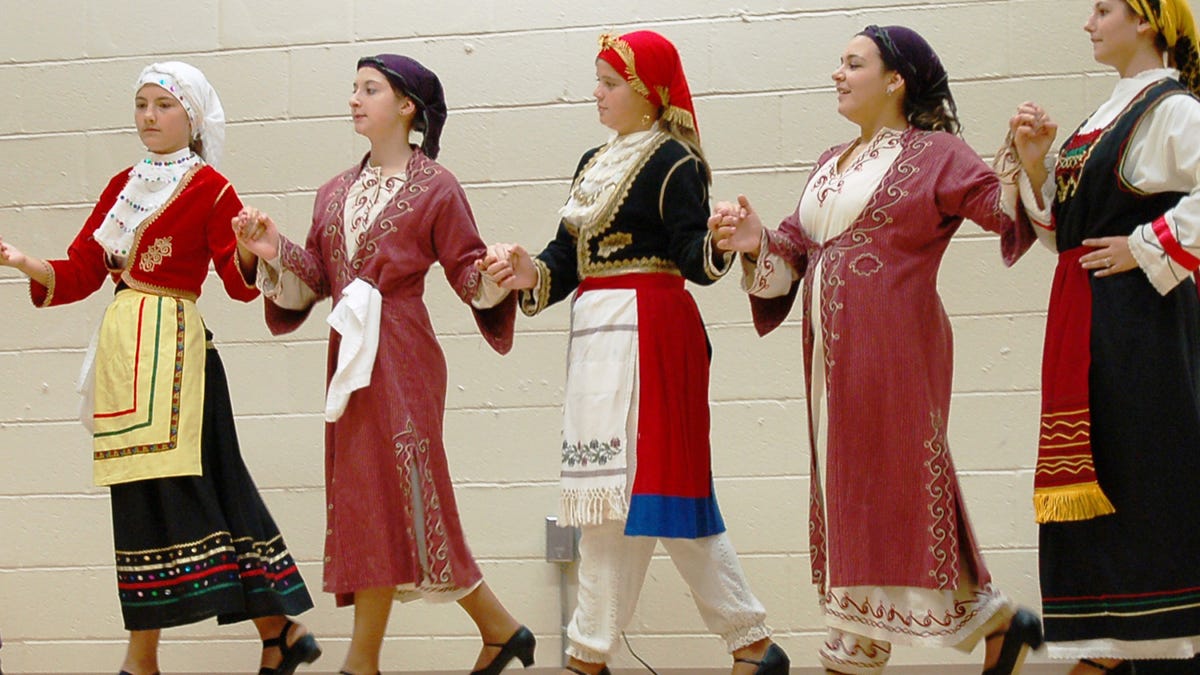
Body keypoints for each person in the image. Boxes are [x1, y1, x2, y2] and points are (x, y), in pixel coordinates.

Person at [708, 25, 1044, 675]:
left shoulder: (935, 152)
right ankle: (995, 620)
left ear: (896, 80)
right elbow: (790, 254)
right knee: (860, 493)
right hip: (830, 364)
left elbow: (1001, 210)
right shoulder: (829, 162)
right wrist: (753, 241)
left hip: (895, 348)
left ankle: (876, 648)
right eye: (839, 63)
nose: (838, 73)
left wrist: (1029, 165)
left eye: (853, 63)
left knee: (891, 486)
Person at [477, 30, 788, 675]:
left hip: (652, 334)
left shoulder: (676, 162)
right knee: (616, 500)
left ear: (648, 94)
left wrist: (724, 240)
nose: (596, 93)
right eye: (598, 80)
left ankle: (593, 657)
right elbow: (565, 260)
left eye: (610, 83)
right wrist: (523, 272)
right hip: (597, 337)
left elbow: (692, 260)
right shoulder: (594, 162)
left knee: (646, 492)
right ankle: (746, 645)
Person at [0, 62, 320, 675]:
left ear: (191, 117)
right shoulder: (124, 183)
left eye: (162, 105)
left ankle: (147, 659)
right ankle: (276, 633)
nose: (148, 115)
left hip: (180, 356)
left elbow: (235, 282)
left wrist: (254, 253)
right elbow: (82, 270)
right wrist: (24, 262)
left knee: (199, 493)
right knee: (147, 496)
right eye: (141, 104)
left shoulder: (212, 188)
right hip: (127, 352)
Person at [231, 54, 531, 675]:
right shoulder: (332, 191)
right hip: (350, 355)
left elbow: (467, 272)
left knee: (411, 488)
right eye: (354, 88)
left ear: (406, 107)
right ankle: (479, 634)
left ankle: (389, 656)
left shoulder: (437, 187)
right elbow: (315, 279)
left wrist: (499, 275)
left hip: (402, 350)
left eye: (370, 89)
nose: (354, 99)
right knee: (366, 498)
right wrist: (269, 248)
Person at [1007, 1, 1200, 673]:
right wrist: (1035, 163)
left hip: (1140, 322)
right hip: (1087, 318)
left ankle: (1156, 643)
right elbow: (1063, 232)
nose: (1089, 22)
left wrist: (1150, 243)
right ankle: (1107, 642)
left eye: (1104, 9)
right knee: (1101, 470)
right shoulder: (1108, 111)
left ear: (1148, 19)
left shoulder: (1175, 108)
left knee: (1143, 470)